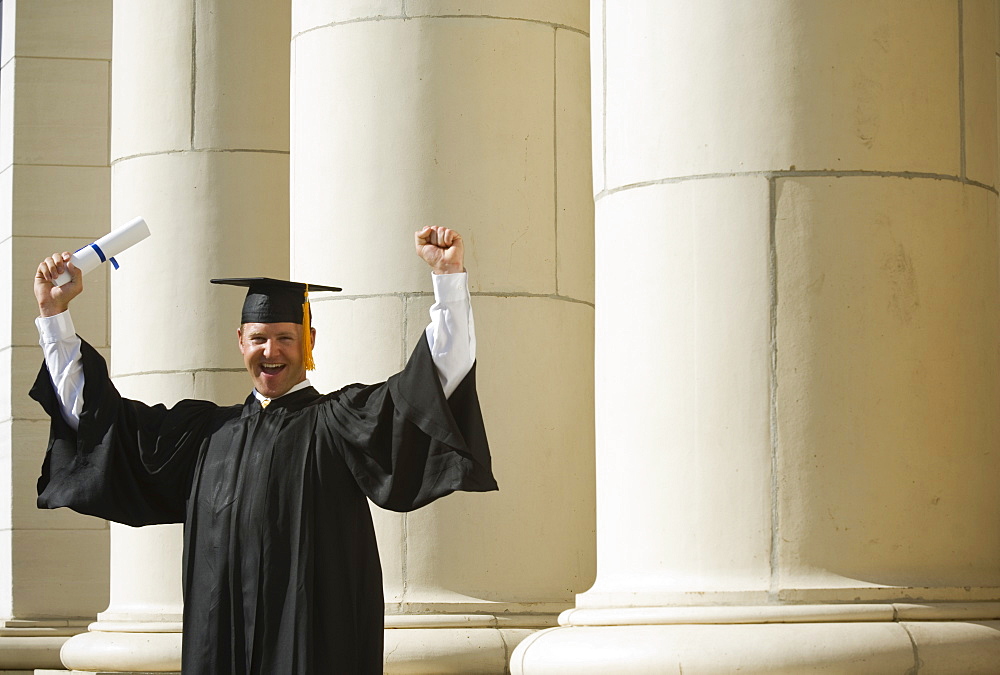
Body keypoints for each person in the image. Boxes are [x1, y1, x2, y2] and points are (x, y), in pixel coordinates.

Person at [30, 226, 497, 675]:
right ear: (240, 342)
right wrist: (55, 316)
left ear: (308, 341)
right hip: (221, 647)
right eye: (258, 338)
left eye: (285, 337)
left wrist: (448, 281)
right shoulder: (205, 434)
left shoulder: (340, 422)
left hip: (313, 647)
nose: (270, 350)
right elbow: (99, 422)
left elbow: (428, 388)